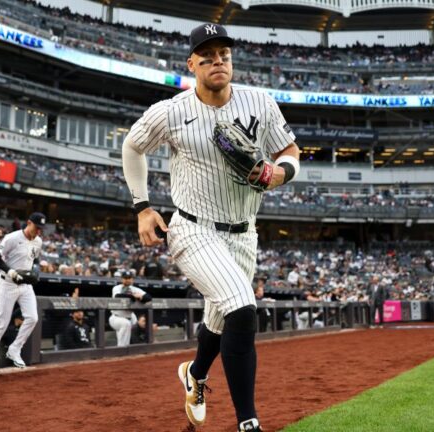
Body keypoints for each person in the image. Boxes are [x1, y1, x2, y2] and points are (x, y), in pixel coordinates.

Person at [121, 22, 300, 432]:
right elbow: (132, 146)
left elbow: (289, 150)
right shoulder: (171, 111)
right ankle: (248, 421)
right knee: (241, 307)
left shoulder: (260, 102)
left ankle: (195, 375)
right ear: (192, 64)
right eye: (208, 55)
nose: (217, 60)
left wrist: (280, 173)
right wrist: (143, 207)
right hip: (193, 228)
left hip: (244, 232)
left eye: (224, 54)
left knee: (219, 321)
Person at [0, 213, 45, 376]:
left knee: (33, 317)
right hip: (7, 283)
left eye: (41, 229)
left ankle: (14, 349)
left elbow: (35, 260)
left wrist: (35, 270)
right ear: (29, 223)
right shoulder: (12, 237)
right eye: (37, 227)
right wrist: (10, 271)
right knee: (2, 323)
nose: (39, 231)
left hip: (24, 284)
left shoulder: (38, 241)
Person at [109, 271, 152, 347]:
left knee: (125, 339)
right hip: (116, 317)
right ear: (122, 279)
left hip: (130, 317)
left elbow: (148, 297)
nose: (127, 280)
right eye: (125, 278)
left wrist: (141, 297)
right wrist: (133, 296)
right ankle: (121, 351)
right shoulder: (117, 288)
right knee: (126, 325)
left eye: (129, 278)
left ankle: (125, 352)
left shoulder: (134, 289)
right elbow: (118, 296)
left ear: (132, 279)